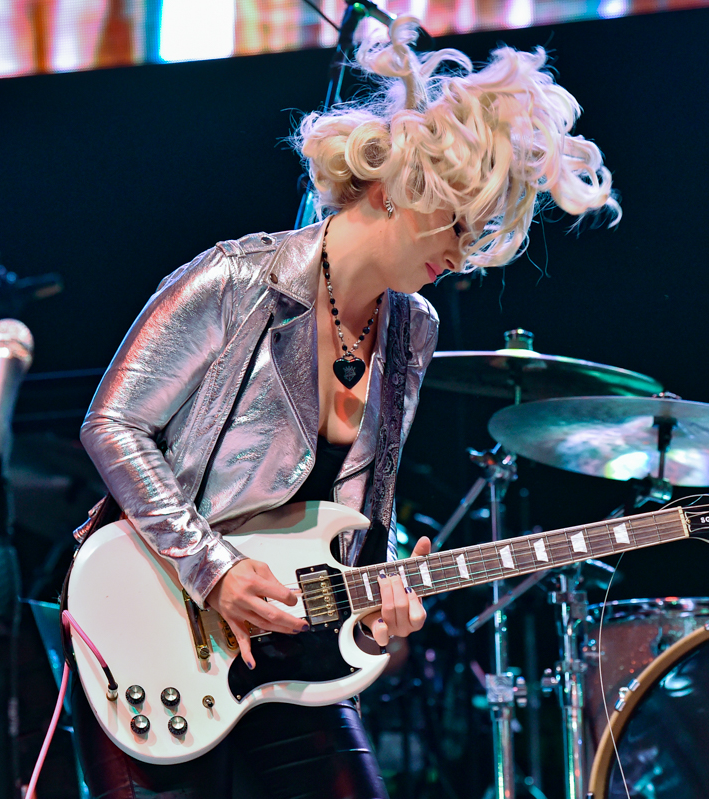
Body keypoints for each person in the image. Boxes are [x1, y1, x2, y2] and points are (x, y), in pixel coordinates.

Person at [67, 16, 619, 798]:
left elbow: (355, 516)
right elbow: (112, 424)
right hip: (158, 621)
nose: (461, 255)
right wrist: (212, 569)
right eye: (456, 225)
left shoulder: (411, 328)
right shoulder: (237, 280)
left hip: (291, 649)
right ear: (396, 189)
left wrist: (375, 613)